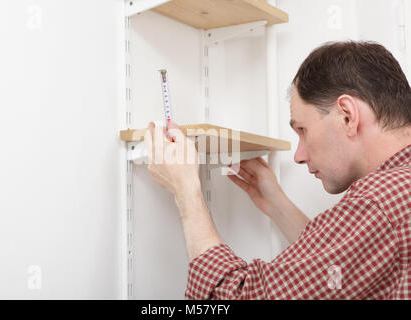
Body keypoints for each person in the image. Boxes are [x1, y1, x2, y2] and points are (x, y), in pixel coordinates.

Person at [144, 41, 411, 299]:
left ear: (347, 116)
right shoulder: (397, 196)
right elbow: (342, 268)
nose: (298, 155)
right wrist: (276, 204)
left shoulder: (379, 203)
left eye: (303, 131)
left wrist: (186, 191)